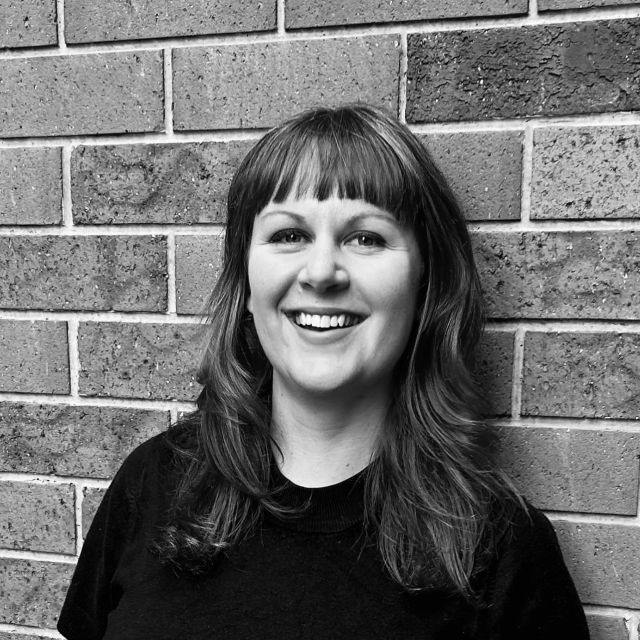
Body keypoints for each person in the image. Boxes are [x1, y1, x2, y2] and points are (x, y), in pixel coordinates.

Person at [58, 104, 590, 639]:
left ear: (424, 284)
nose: (320, 273)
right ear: (246, 284)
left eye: (366, 238)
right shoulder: (153, 484)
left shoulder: (501, 549)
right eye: (289, 235)